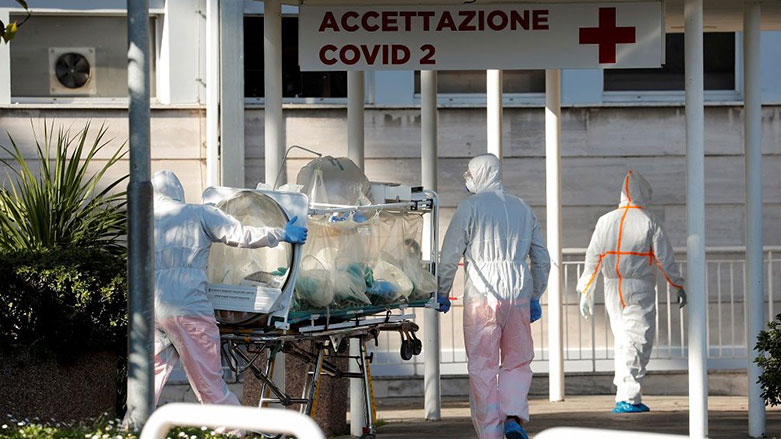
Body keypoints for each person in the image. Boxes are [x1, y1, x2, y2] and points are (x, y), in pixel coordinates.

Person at [150, 170, 307, 411]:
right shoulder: (199, 213)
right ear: (179, 191)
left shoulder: (144, 222)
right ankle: (231, 429)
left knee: (146, 382)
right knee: (209, 384)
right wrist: (281, 233)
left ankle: (130, 427)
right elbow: (241, 235)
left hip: (153, 311)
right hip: (190, 309)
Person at [437, 154, 550, 439]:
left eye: (469, 173)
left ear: (478, 174)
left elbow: (450, 254)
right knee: (517, 360)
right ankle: (513, 416)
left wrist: (441, 290)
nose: (467, 179)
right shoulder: (522, 207)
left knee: (482, 365)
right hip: (519, 293)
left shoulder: (470, 207)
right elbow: (541, 258)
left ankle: (491, 433)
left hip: (482, 295)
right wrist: (535, 294)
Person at [576, 171, 685, 414]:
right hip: (639, 287)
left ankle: (624, 393)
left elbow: (592, 257)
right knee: (637, 340)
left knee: (624, 341)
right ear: (643, 192)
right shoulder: (649, 220)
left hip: (612, 287)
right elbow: (664, 257)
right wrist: (677, 285)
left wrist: (586, 290)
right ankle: (628, 398)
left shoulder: (605, 221)